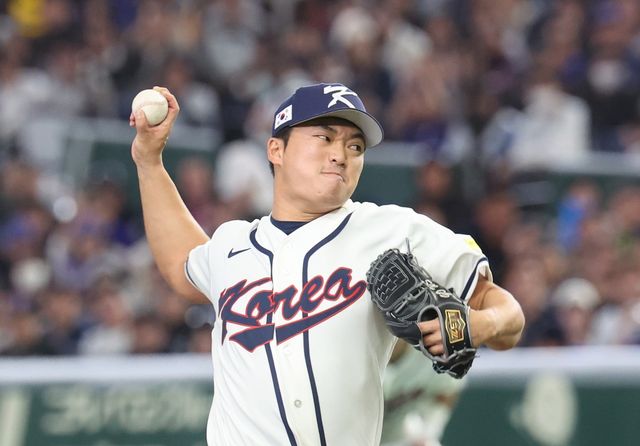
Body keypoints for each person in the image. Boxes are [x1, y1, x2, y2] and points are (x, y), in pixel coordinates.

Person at [129, 83, 525, 446]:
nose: (341, 154)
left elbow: (508, 314)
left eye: (355, 146)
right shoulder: (232, 244)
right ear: (276, 150)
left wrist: (481, 324)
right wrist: (149, 162)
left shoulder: (393, 229)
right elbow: (180, 263)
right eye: (324, 137)